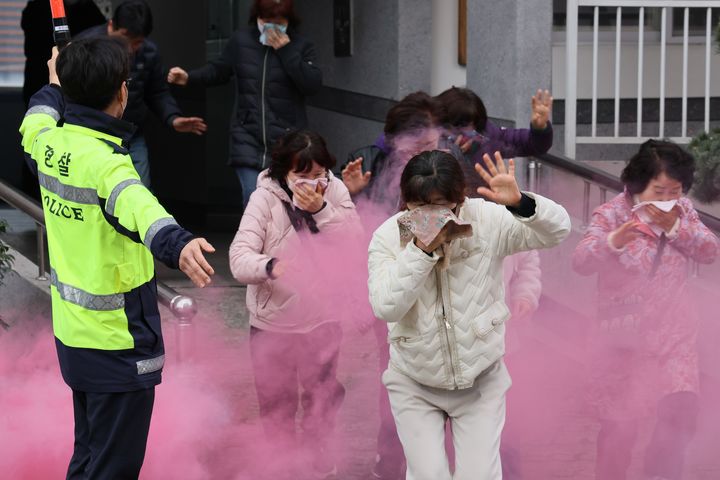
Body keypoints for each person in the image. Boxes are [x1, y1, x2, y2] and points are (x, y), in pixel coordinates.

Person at [19, 38, 215, 479]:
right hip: (116, 346)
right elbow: (143, 210)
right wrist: (179, 242)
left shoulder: (49, 144)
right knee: (113, 468)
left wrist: (54, 82)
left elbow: (35, 119)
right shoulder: (108, 164)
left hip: (74, 337)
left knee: (89, 457)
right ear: (123, 92)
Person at [367, 150, 570, 480]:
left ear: (459, 197)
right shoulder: (389, 235)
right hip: (414, 380)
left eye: (441, 205)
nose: (432, 214)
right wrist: (420, 251)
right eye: (420, 207)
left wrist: (521, 203)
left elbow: (557, 231)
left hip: (481, 377)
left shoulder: (486, 219)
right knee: (429, 475)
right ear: (406, 202)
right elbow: (385, 305)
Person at [572, 140, 719, 480]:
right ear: (638, 183)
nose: (667, 199)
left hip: (674, 338)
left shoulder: (682, 212)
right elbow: (581, 260)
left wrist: (675, 228)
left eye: (675, 191)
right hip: (624, 341)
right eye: (659, 190)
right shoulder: (611, 214)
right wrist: (613, 242)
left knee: (681, 414)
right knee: (619, 433)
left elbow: (709, 250)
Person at [228, 130, 357, 479]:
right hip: (272, 325)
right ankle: (280, 467)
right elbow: (238, 258)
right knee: (276, 406)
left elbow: (356, 245)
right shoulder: (263, 199)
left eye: (318, 175)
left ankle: (320, 464)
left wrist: (324, 210)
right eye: (302, 176)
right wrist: (270, 267)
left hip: (323, 320)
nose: (312, 184)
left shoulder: (335, 190)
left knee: (321, 400)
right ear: (283, 171)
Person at [167, 0, 322, 207]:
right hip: (247, 136)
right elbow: (219, 70)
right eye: (268, 20)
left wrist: (286, 50)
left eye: (280, 21)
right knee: (254, 201)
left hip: (288, 141)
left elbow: (311, 85)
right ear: (258, 18)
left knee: (287, 205)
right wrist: (189, 77)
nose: (273, 26)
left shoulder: (301, 45)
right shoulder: (241, 41)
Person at [75, 0, 208, 187]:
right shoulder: (85, 47)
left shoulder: (148, 53)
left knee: (140, 189)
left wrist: (173, 118)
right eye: (125, 38)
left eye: (137, 42)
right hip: (90, 134)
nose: (129, 47)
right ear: (111, 25)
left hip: (131, 134)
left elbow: (158, 92)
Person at [20, 0, 107, 200]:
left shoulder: (85, 9)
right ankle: (34, 201)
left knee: (61, 143)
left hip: (75, 87)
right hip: (46, 81)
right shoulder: (38, 8)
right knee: (40, 143)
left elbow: (98, 41)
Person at [436, 86, 553, 196]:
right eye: (457, 131)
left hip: (482, 211)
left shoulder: (487, 136)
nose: (466, 138)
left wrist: (540, 128)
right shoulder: (427, 141)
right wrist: (453, 156)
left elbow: (531, 144)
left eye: (472, 130)